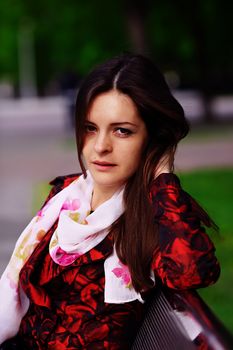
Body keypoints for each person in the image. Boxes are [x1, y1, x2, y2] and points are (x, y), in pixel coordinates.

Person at [0, 53, 220, 349]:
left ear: (152, 138)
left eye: (122, 131)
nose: (101, 146)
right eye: (90, 128)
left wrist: (163, 174)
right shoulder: (65, 195)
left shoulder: (157, 213)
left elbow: (191, 271)